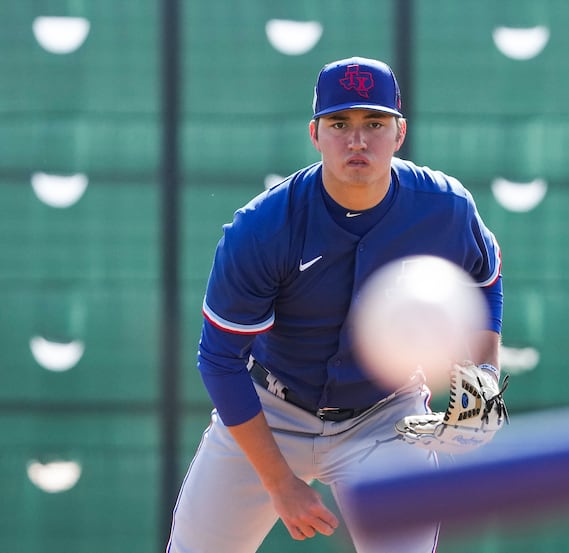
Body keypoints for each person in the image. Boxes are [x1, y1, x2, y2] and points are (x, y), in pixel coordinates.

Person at [167, 56, 504, 553]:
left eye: (374, 123)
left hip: (386, 416)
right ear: (315, 133)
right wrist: (280, 483)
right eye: (340, 124)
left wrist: (483, 384)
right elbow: (218, 360)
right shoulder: (263, 228)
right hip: (271, 410)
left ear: (399, 132)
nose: (357, 140)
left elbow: (485, 279)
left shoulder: (445, 207)